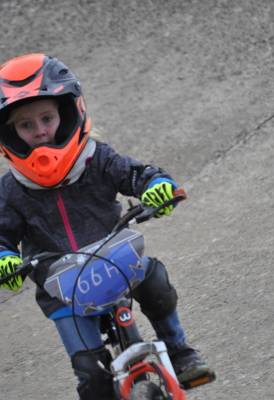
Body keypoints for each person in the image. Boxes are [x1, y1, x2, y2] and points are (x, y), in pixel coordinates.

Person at [0, 53, 210, 400]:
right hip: (61, 289)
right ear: (10, 135)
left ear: (69, 113)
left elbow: (136, 174)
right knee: (91, 376)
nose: (40, 131)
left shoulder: (96, 158)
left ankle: (180, 352)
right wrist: (5, 259)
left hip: (115, 263)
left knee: (155, 281)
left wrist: (156, 186)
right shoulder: (10, 190)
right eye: (25, 125)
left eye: (47, 118)